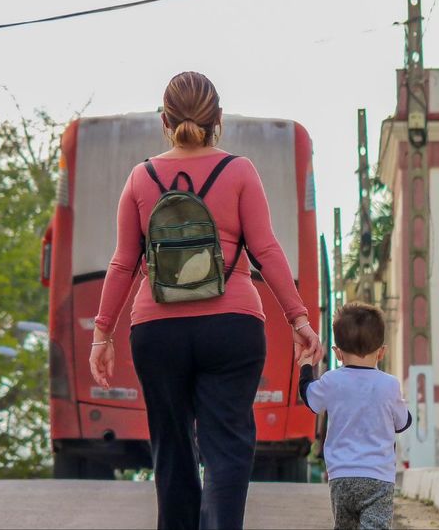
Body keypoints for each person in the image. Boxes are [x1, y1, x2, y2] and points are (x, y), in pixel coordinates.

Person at [89, 71, 323, 530]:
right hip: (232, 327)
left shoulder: (141, 178)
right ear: (219, 120)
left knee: (172, 451)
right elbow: (267, 250)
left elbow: (122, 264)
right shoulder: (238, 171)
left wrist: (102, 334)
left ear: (164, 120)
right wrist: (300, 320)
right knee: (228, 449)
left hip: (156, 330)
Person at [298, 302, 411, 530]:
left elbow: (310, 397)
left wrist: (306, 366)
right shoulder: (389, 385)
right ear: (382, 352)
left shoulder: (331, 381)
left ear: (337, 353)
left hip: (342, 476)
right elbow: (403, 422)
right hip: (379, 478)